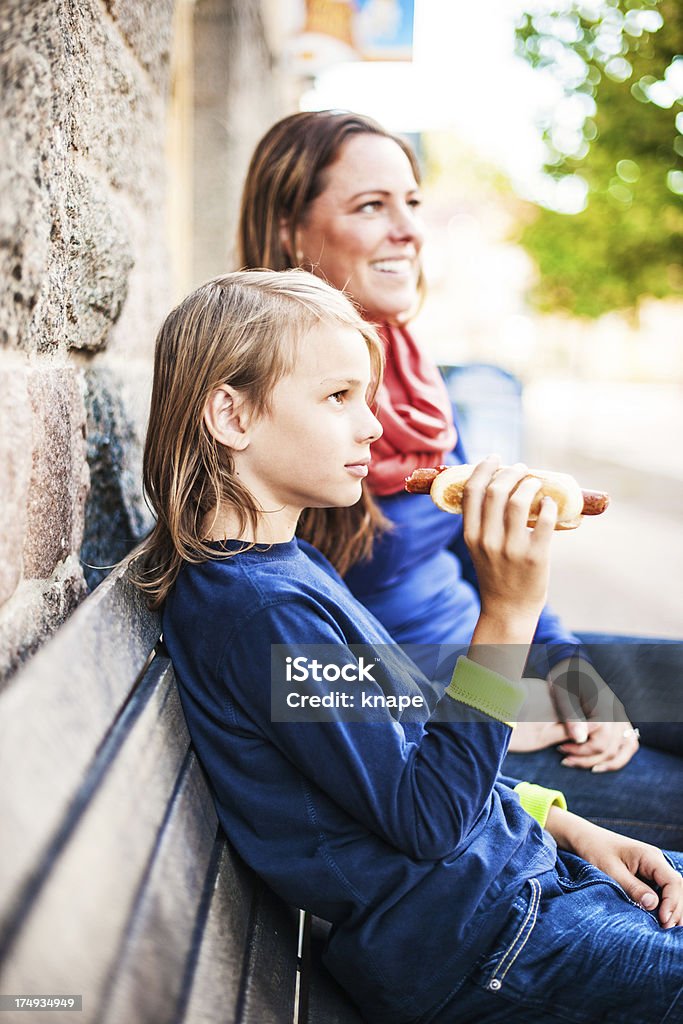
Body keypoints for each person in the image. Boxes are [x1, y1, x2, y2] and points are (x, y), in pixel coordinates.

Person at [135, 269, 683, 1024]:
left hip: (524, 886)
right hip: (487, 945)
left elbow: (413, 748)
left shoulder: (289, 571)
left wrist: (570, 827)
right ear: (231, 414)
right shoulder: (258, 616)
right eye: (338, 397)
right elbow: (427, 819)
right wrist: (507, 612)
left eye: (368, 395)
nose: (371, 424)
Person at [236, 110, 683, 849]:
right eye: (370, 206)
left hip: (503, 664)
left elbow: (480, 572)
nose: (409, 229)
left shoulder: (413, 386)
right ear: (288, 231)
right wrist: (498, 697)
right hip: (458, 725)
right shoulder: (280, 421)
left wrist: (565, 661)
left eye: (410, 202)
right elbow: (293, 676)